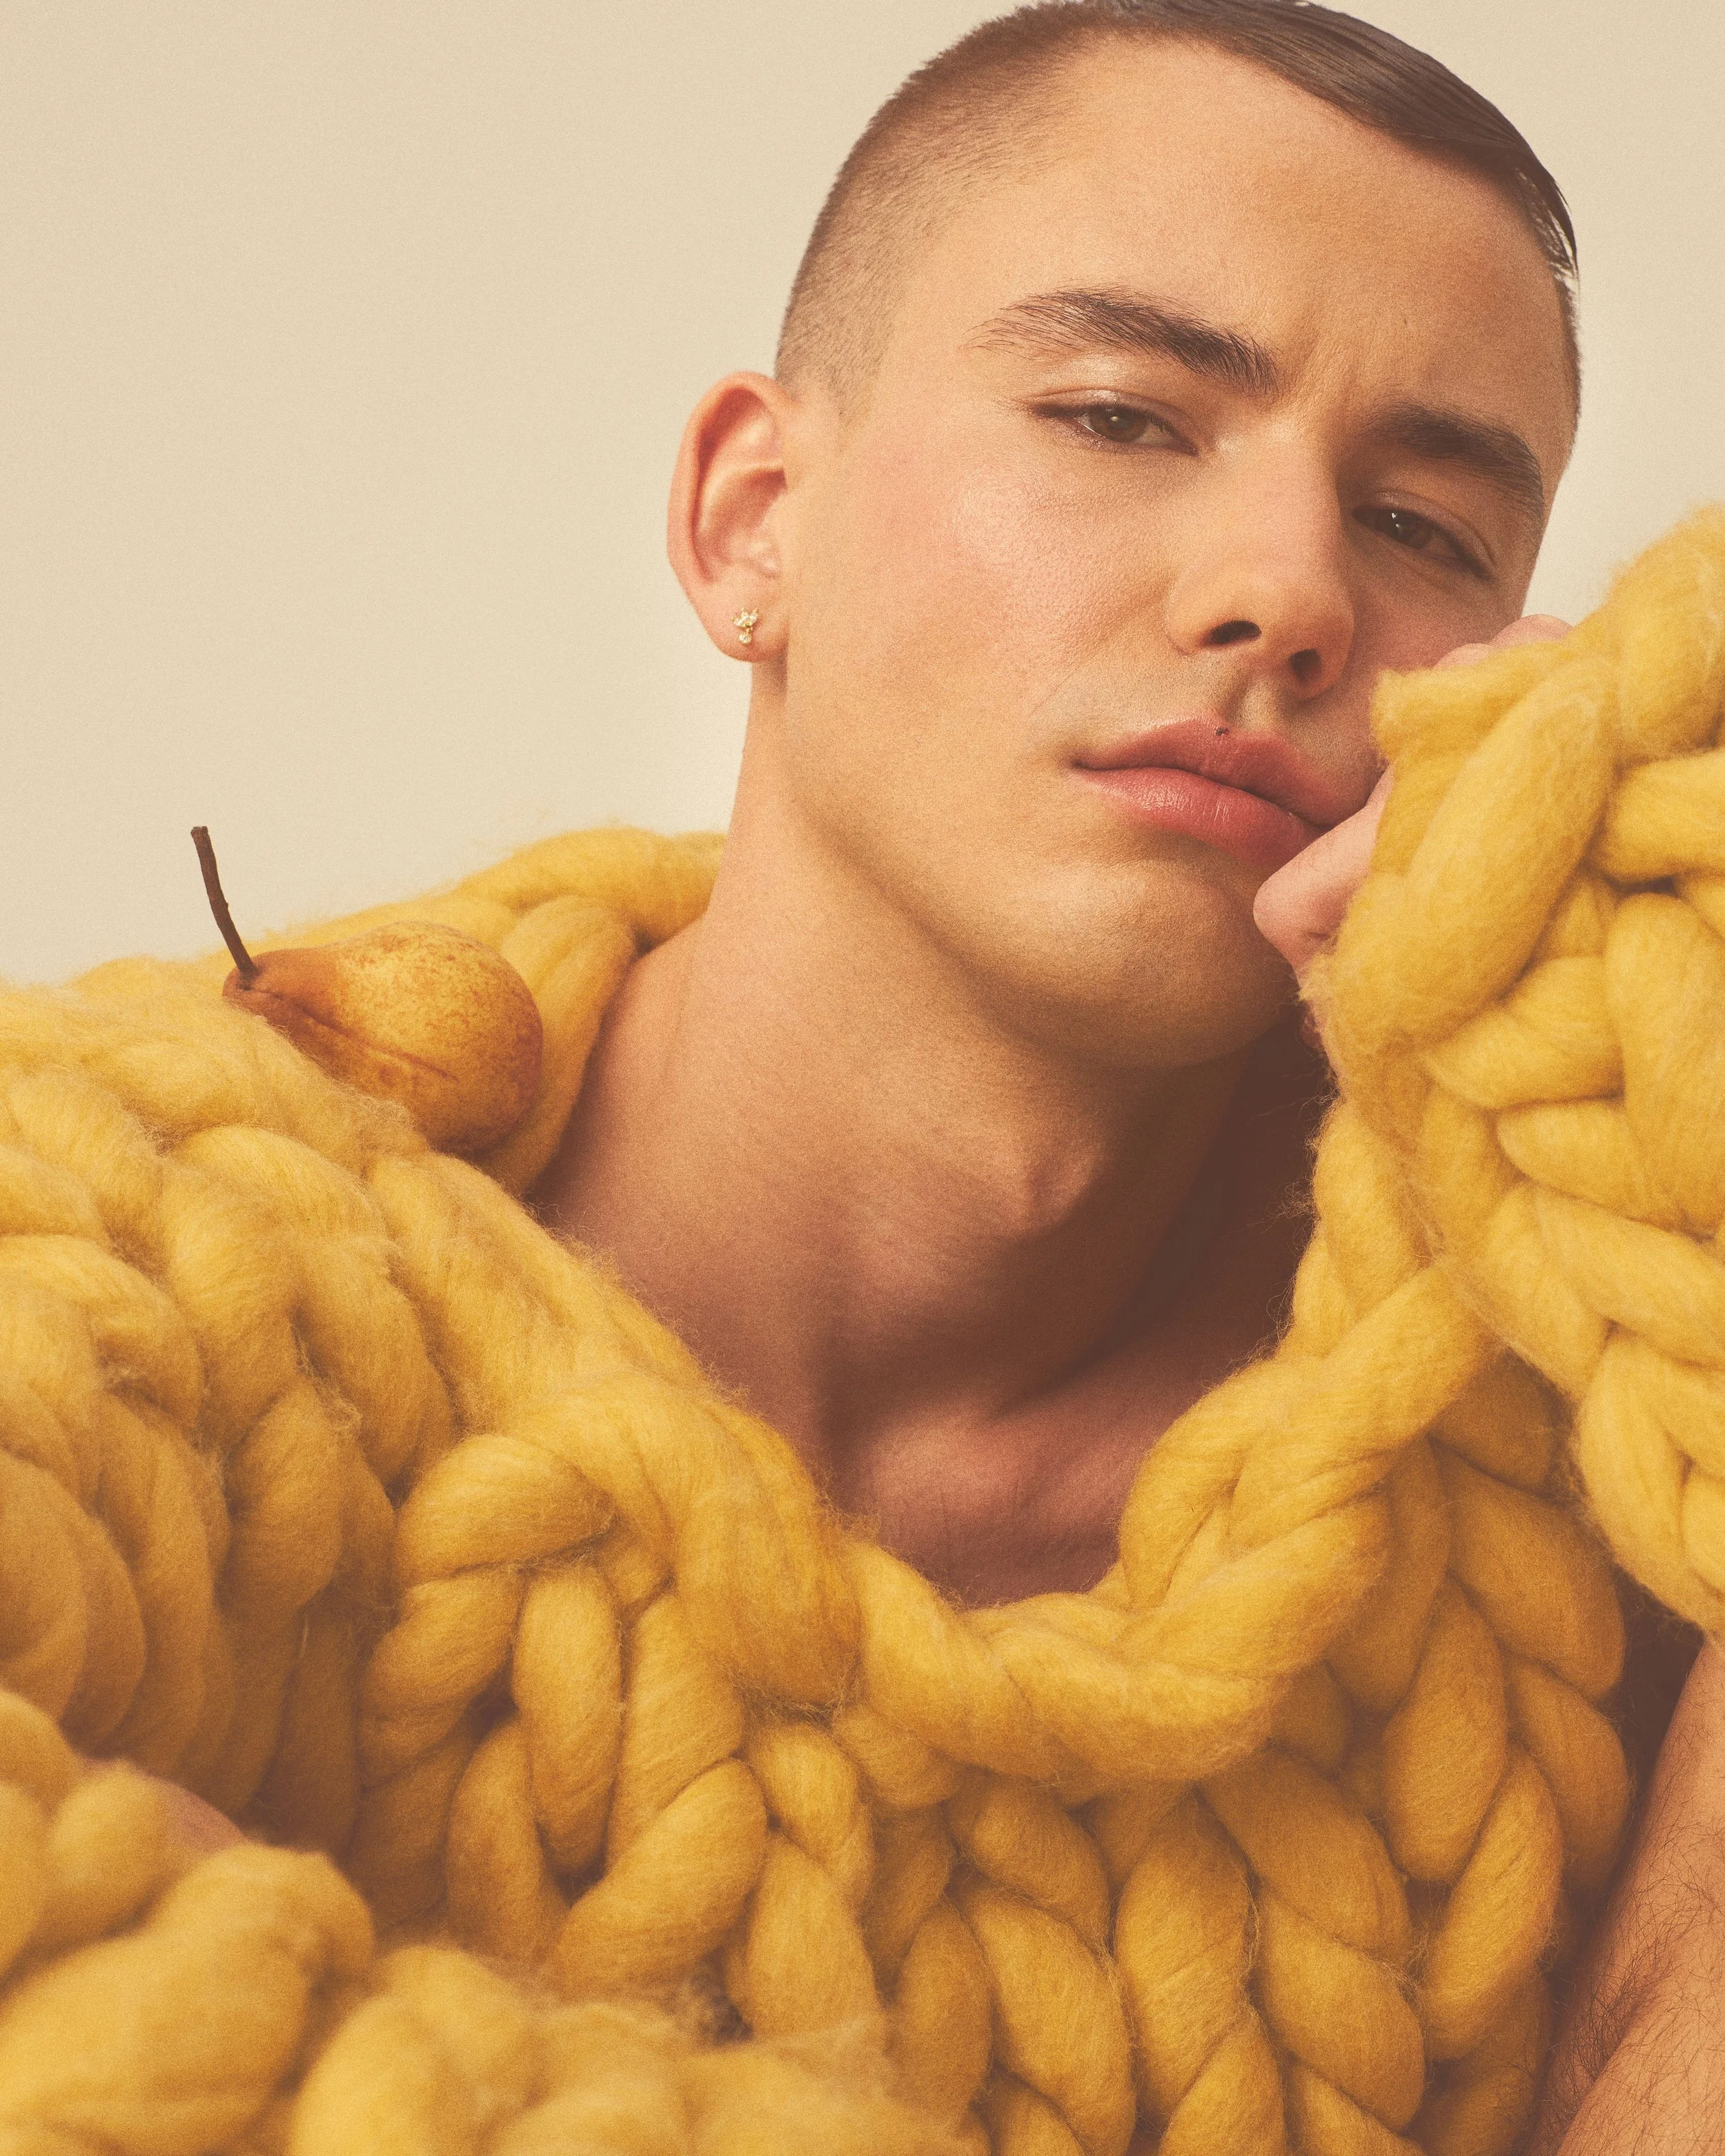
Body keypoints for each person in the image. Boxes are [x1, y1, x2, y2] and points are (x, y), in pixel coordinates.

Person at [137, 1, 1719, 2144]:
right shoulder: (139, 1260)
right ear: (747, 520)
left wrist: (1644, 1024)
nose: (1287, 596)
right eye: (1118, 415)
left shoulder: (1600, 1493)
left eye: (1430, 531)